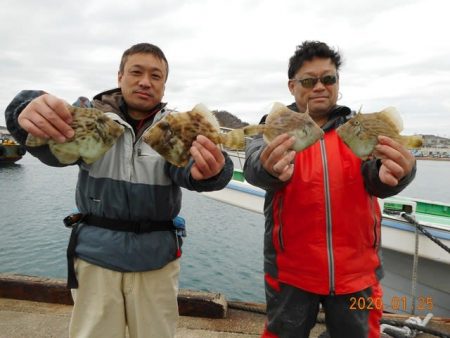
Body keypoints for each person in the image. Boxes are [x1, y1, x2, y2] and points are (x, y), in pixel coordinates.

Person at [5, 43, 233, 338]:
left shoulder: (175, 128)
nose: (145, 81)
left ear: (164, 85)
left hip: (156, 261)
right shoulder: (91, 117)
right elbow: (51, 149)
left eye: (156, 76)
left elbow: (194, 171)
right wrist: (25, 108)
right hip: (96, 259)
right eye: (136, 72)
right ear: (120, 76)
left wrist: (213, 172)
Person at [243, 41, 416, 338]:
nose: (320, 86)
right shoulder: (273, 128)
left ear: (338, 82)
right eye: (309, 80)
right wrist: (270, 167)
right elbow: (254, 165)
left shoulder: (359, 129)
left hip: (358, 274)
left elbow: (378, 177)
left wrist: (401, 172)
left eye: (329, 78)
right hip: (290, 273)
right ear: (292, 86)